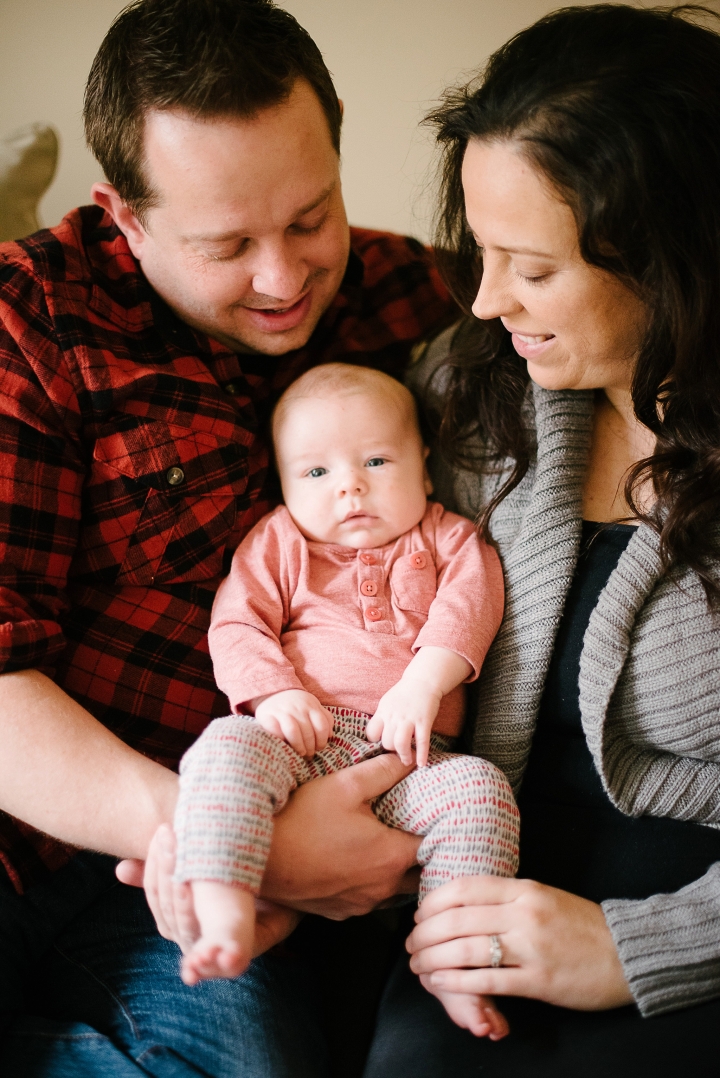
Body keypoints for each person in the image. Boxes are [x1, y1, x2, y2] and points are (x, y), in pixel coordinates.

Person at [0, 1, 457, 1073]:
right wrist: (246, 844)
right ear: (125, 215)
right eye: (227, 245)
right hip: (43, 823)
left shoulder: (416, 302)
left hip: (211, 861)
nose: (283, 278)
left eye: (310, 218)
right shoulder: (31, 321)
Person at [360, 5, 720, 1077]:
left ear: (672, 254)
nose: (484, 298)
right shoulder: (472, 389)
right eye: (480, 248)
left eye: (530, 265)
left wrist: (637, 946)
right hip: (480, 886)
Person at [172, 362, 518, 1040]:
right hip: (297, 739)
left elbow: (470, 608)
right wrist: (272, 693)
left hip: (414, 759)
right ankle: (223, 902)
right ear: (283, 485)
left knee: (482, 791)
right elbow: (237, 623)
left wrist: (424, 684)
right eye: (317, 473)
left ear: (424, 468)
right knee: (224, 748)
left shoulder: (451, 537)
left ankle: (455, 961)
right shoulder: (279, 541)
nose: (350, 485)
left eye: (376, 460)